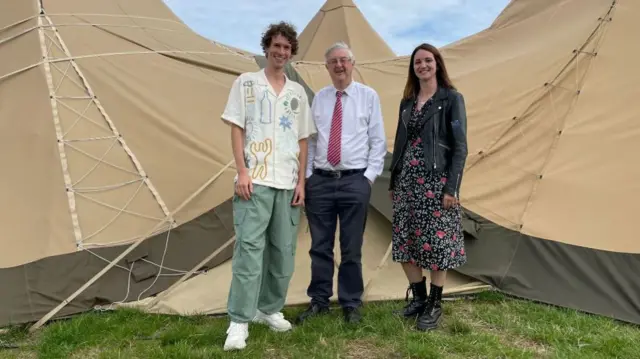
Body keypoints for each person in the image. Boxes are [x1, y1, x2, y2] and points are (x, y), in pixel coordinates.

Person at [220, 22, 316, 351]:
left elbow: (303, 140)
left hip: (288, 183)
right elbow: (236, 127)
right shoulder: (247, 84)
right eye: (276, 46)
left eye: (286, 48)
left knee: (283, 252)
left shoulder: (297, 93)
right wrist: (242, 171)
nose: (280, 52)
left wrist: (302, 181)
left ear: (292, 53)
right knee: (249, 250)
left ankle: (269, 309)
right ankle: (239, 320)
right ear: (266, 48)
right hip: (255, 181)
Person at [297, 42, 387, 325]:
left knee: (351, 247)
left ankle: (350, 303)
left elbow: (378, 142)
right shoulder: (320, 99)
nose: (339, 65)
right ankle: (319, 301)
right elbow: (312, 142)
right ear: (326, 67)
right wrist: (309, 176)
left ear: (352, 63)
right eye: (333, 61)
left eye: (344, 60)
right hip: (321, 182)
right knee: (320, 246)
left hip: (354, 181)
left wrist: (368, 178)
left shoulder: (368, 96)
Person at [387, 43, 468, 331]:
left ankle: (434, 305)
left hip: (437, 183)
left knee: (436, 245)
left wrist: (452, 188)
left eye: (427, 60)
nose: (423, 65)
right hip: (408, 182)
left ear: (437, 64)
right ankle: (419, 300)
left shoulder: (451, 99)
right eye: (418, 62)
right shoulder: (407, 102)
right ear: (413, 68)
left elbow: (460, 148)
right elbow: (400, 143)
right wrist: (394, 179)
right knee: (406, 243)